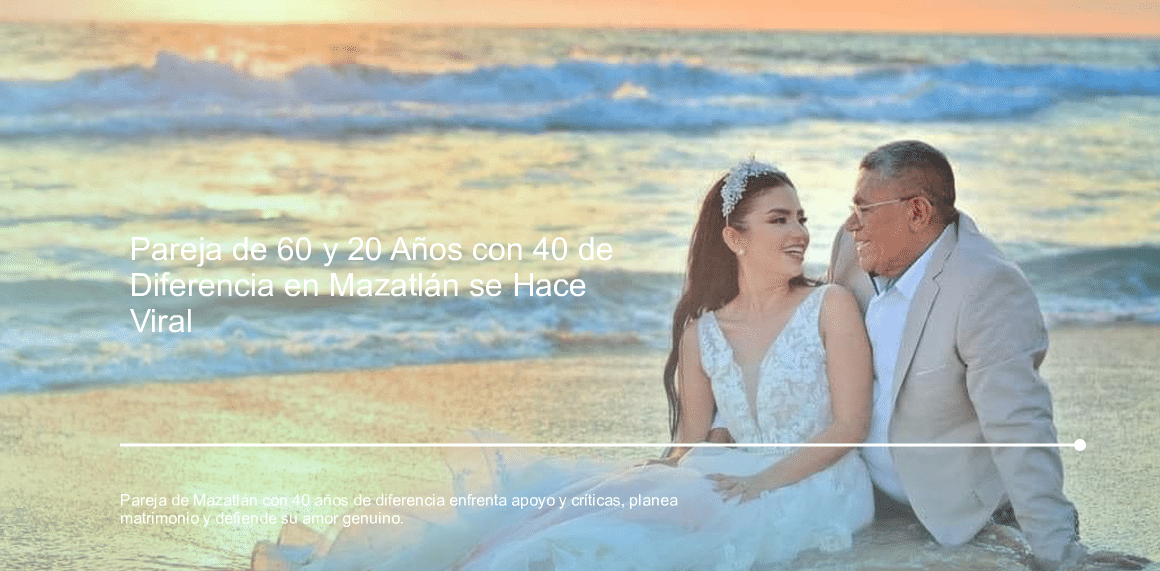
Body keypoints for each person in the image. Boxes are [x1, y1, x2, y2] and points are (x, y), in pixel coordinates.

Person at [250, 160, 875, 571]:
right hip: (728, 469)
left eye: (800, 219)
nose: (797, 232)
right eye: (778, 219)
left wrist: (761, 482)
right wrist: (656, 475)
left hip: (811, 485)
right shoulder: (702, 329)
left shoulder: (830, 306)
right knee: (582, 505)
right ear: (734, 237)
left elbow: (848, 426)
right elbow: (690, 440)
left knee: (618, 539)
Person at [825, 140, 1149, 571]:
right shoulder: (851, 249)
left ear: (917, 212)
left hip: (959, 515)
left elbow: (1019, 426)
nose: (852, 224)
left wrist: (1059, 554)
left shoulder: (987, 287)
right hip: (865, 499)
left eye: (864, 209)